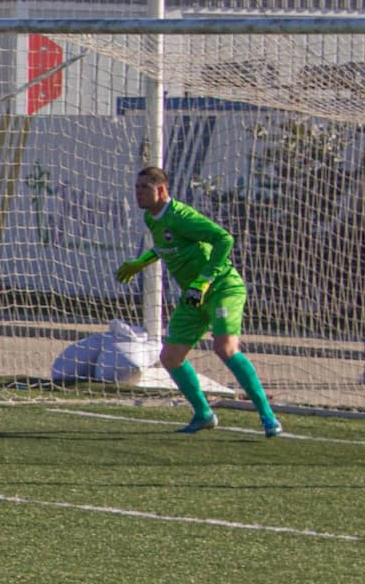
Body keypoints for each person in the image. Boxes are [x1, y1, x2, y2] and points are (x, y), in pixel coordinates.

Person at [116, 165, 282, 437]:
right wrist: (139, 263)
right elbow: (164, 246)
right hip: (193, 296)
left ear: (161, 189)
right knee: (170, 357)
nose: (138, 194)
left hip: (221, 287)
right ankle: (204, 414)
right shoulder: (151, 218)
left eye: (144, 188)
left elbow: (223, 239)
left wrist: (204, 280)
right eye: (136, 188)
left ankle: (268, 417)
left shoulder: (181, 215)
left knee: (225, 348)